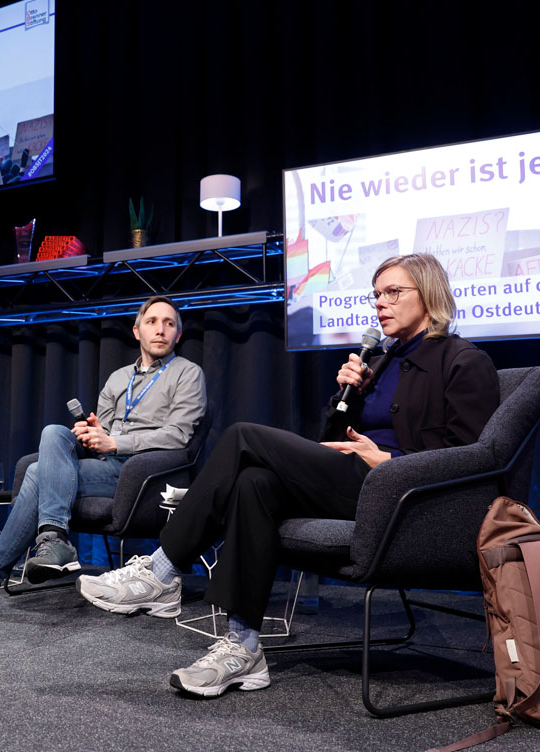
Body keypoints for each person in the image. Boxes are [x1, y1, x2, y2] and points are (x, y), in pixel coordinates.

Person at [79, 253, 500, 698]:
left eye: (393, 292)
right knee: (252, 483)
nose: (380, 303)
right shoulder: (379, 362)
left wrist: (391, 460)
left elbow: (473, 460)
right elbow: (332, 437)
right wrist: (349, 395)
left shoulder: (463, 361)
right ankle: (242, 649)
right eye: (376, 294)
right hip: (353, 481)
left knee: (243, 437)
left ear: (429, 295)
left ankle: (162, 571)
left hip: (402, 497)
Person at [0, 295, 207, 620]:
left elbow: (178, 436)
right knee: (54, 432)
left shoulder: (187, 373)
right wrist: (95, 433)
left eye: (169, 324)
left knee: (38, 474)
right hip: (106, 465)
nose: (161, 330)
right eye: (152, 322)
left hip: (144, 475)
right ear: (137, 330)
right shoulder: (118, 378)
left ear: (178, 335)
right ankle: (52, 541)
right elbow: (105, 433)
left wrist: (115, 442)